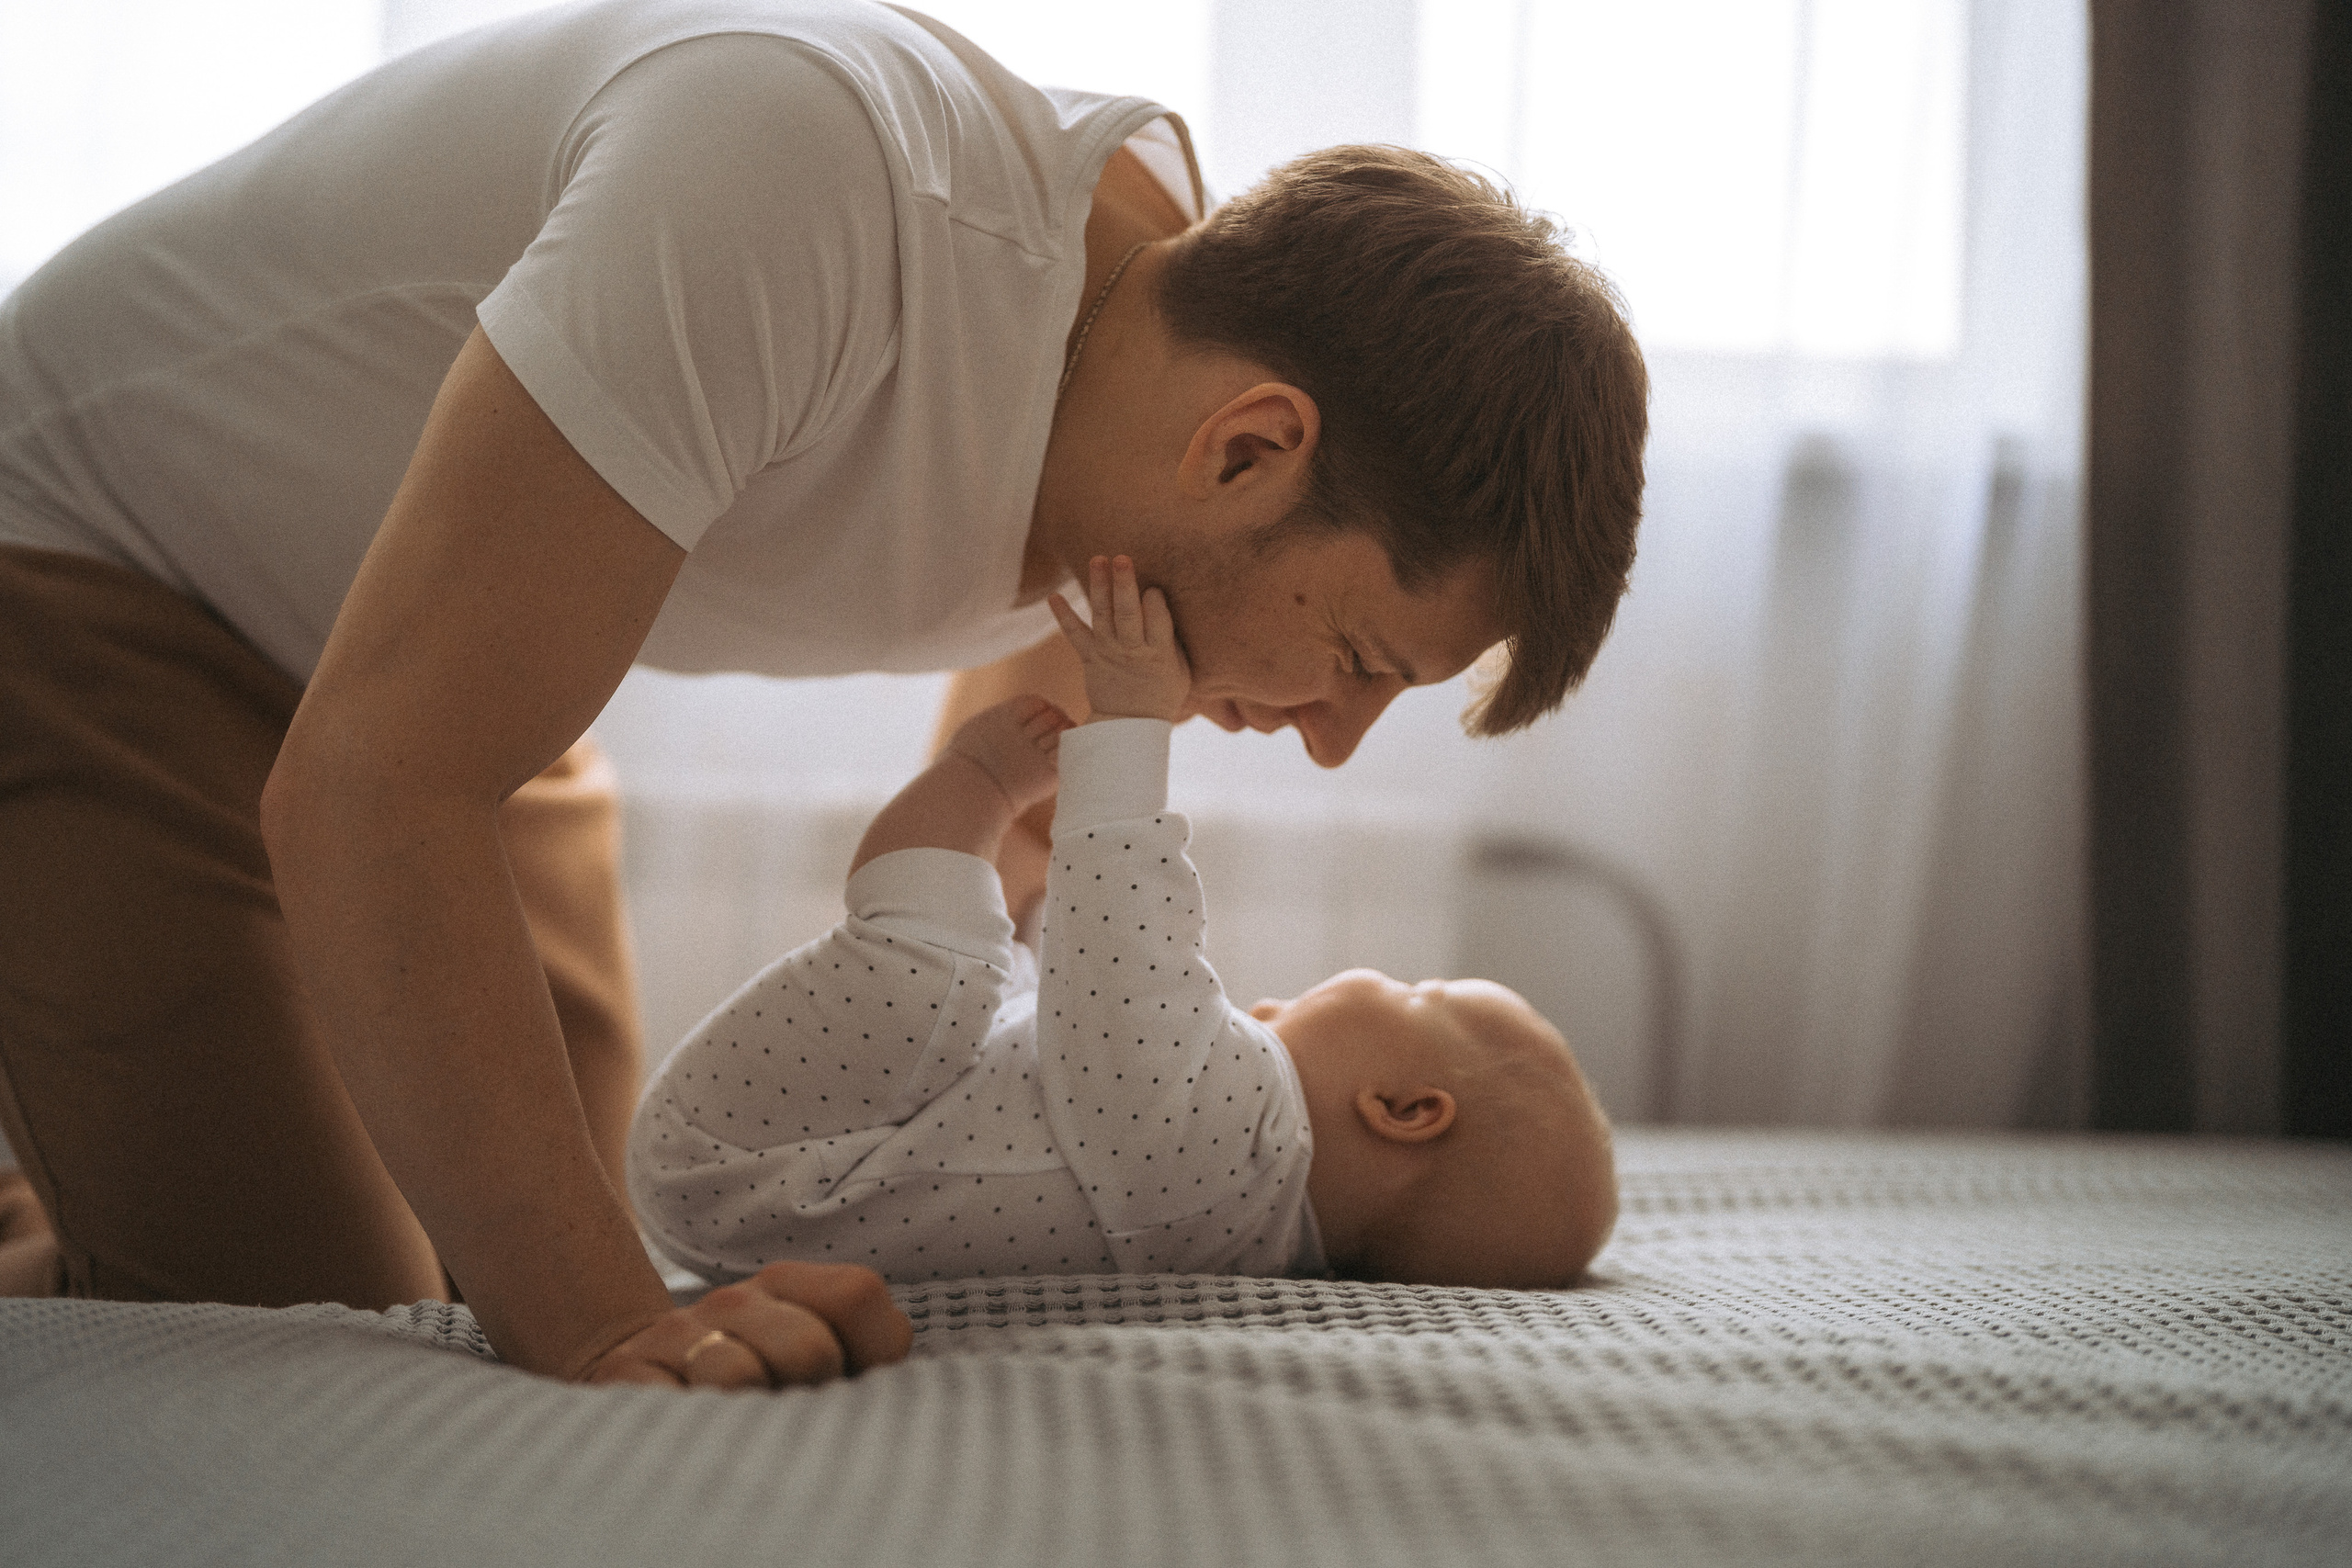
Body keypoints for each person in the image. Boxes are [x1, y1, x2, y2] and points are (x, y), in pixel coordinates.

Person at [0, 0, 1646, 1390]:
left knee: (512, 1223)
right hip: (97, 574)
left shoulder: (1152, 374)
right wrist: (605, 1327)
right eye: (1361, 664)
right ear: (1250, 448)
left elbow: (1026, 815)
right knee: (320, 1329)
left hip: (470, 675)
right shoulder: (797, 182)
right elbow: (371, 782)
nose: (1336, 741)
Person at [630, 556, 1617, 1294]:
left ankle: (969, 793)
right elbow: (1095, 1013)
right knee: (992, 975)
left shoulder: (1240, 1163)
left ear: (1403, 1108)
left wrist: (1129, 725)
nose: (1382, 975)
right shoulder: (1232, 1224)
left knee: (946, 949)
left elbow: (1122, 964)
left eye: (1417, 994)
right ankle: (956, 853)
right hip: (786, 1169)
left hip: (743, 1151)